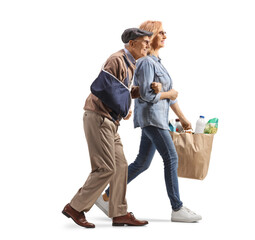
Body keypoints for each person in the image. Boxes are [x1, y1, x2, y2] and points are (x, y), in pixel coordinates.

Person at [96, 21, 202, 223]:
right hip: (151, 119)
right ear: (151, 36)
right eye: (161, 32)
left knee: (142, 163)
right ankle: (177, 208)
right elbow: (145, 95)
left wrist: (184, 118)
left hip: (158, 118)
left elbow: (170, 96)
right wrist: (166, 93)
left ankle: (107, 196)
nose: (165, 35)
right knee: (171, 158)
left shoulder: (157, 62)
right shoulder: (145, 63)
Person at [62, 28, 162, 228]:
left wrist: (146, 89)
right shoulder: (116, 59)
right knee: (105, 168)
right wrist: (123, 109)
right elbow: (103, 88)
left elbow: (122, 90)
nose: (147, 46)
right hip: (99, 118)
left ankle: (119, 213)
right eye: (144, 42)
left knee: (121, 166)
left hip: (111, 122)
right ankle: (75, 207)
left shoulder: (130, 63)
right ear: (131, 43)